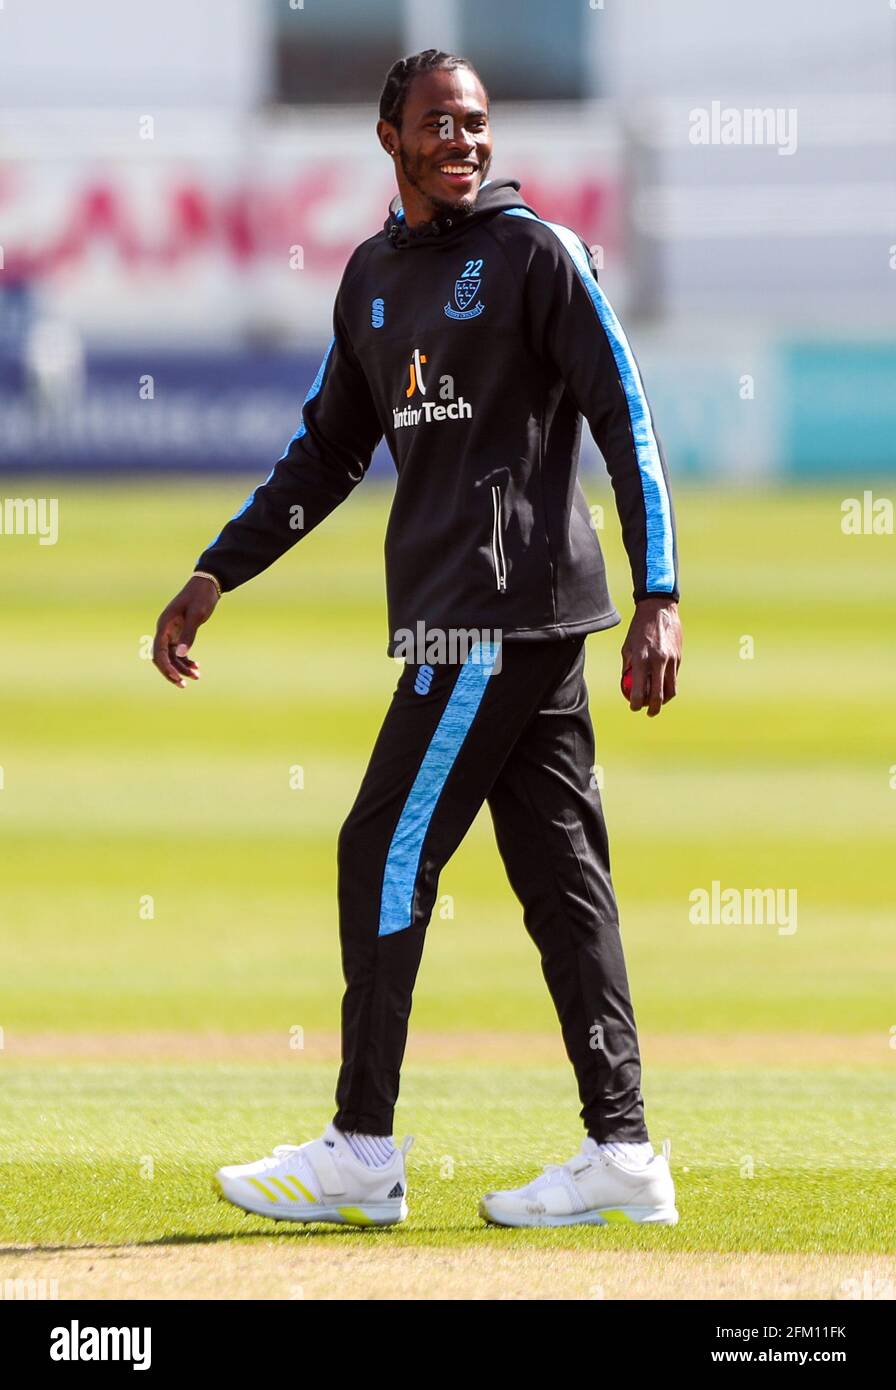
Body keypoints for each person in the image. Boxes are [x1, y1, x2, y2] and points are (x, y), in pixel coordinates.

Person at [152, 49, 683, 1230]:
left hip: (496, 618)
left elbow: (622, 412)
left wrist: (660, 590)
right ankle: (623, 1152)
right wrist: (214, 571)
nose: (464, 140)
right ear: (386, 135)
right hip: (493, 627)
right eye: (439, 122)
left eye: (477, 123)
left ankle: (361, 1148)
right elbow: (330, 453)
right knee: (562, 886)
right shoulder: (373, 278)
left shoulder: (536, 255)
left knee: (380, 848)